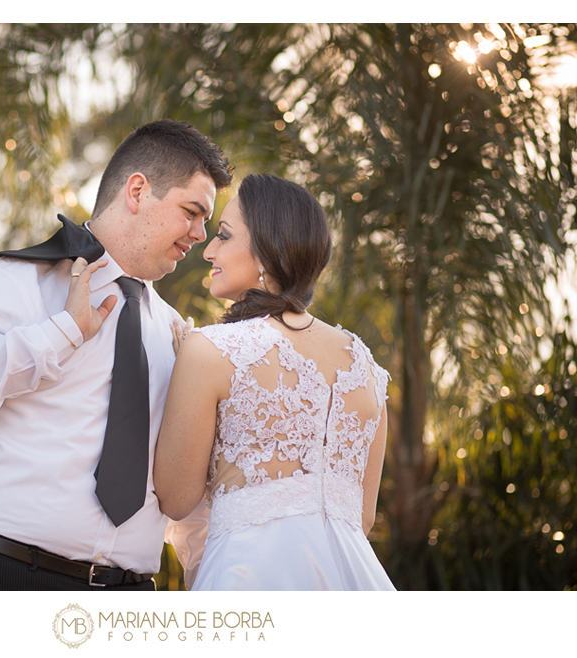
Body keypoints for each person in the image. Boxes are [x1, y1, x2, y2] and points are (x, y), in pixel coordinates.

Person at [0, 119, 233, 590]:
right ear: (138, 191)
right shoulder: (17, 277)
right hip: (0, 579)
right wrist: (61, 334)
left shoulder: (177, 336)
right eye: (192, 211)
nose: (200, 233)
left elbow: (182, 489)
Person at [154, 173, 396, 590]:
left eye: (224, 236)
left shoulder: (210, 350)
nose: (208, 249)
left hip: (248, 578)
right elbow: (362, 518)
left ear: (267, 251)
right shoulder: (367, 369)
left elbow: (175, 498)